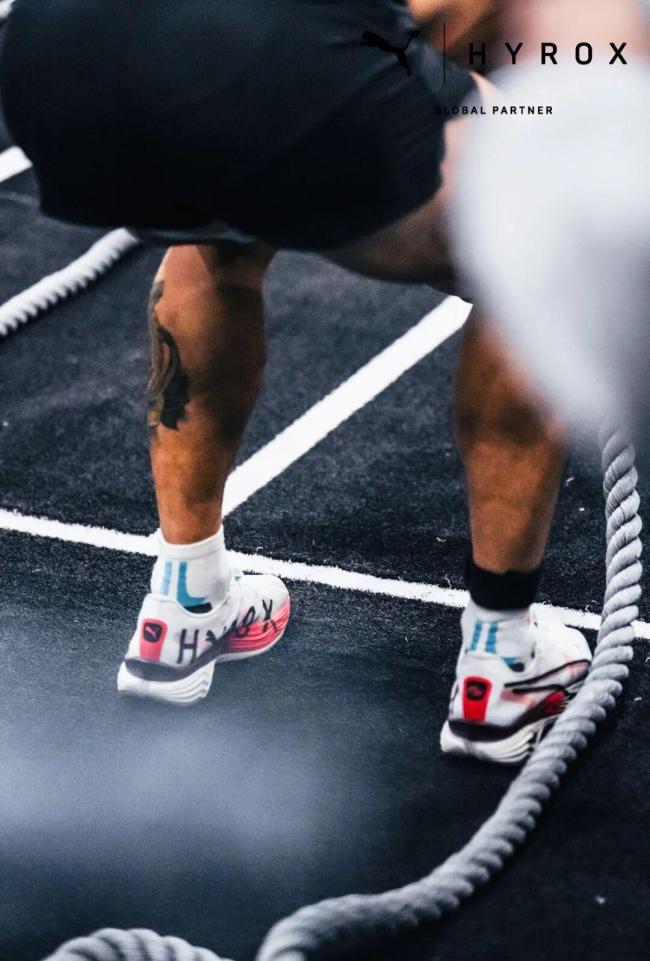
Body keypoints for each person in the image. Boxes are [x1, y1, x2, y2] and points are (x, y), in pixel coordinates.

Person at [0, 0, 590, 763]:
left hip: (53, 60)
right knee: (536, 247)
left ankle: (187, 599)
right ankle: (503, 661)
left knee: (218, 237)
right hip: (266, 59)